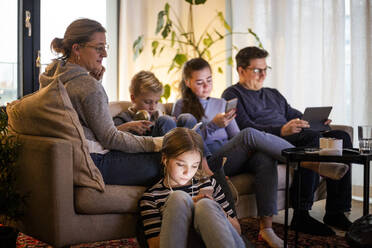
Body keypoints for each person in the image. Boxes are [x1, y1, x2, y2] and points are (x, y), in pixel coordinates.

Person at [222, 46, 353, 236]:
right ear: (241, 70)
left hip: (295, 134)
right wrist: (281, 130)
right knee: (312, 139)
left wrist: (315, 122)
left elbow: (295, 115)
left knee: (342, 137)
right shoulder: (232, 95)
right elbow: (244, 130)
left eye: (266, 69)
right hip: (270, 141)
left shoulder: (273, 94)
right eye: (257, 70)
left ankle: (336, 211)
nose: (263, 75)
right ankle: (301, 215)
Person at [173, 57, 297, 248]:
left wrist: (243, 149)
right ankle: (300, 158)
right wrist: (213, 126)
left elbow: (236, 136)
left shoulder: (222, 103)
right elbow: (188, 141)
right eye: (199, 82)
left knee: (264, 158)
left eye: (209, 80)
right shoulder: (181, 107)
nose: (206, 86)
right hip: (208, 161)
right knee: (250, 134)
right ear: (188, 82)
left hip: (229, 156)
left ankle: (267, 229)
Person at [39, 18, 164, 186]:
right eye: (98, 48)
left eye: (105, 48)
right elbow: (110, 139)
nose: (104, 54)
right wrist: (157, 143)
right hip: (94, 162)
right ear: (77, 49)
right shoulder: (87, 86)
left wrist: (95, 82)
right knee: (169, 162)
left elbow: (84, 125)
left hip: (71, 161)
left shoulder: (51, 77)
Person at [139, 127, 245, 248]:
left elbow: (237, 230)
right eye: (180, 164)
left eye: (194, 166)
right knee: (178, 198)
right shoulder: (151, 197)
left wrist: (217, 208)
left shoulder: (210, 184)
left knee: (205, 204)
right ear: (165, 159)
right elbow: (154, 245)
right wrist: (187, 212)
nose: (187, 172)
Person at [113, 70, 176, 137]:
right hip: (147, 145)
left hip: (162, 141)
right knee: (165, 120)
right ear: (133, 98)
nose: (153, 107)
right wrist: (127, 126)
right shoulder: (123, 118)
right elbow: (110, 134)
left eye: (156, 102)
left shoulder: (155, 116)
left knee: (184, 118)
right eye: (148, 102)